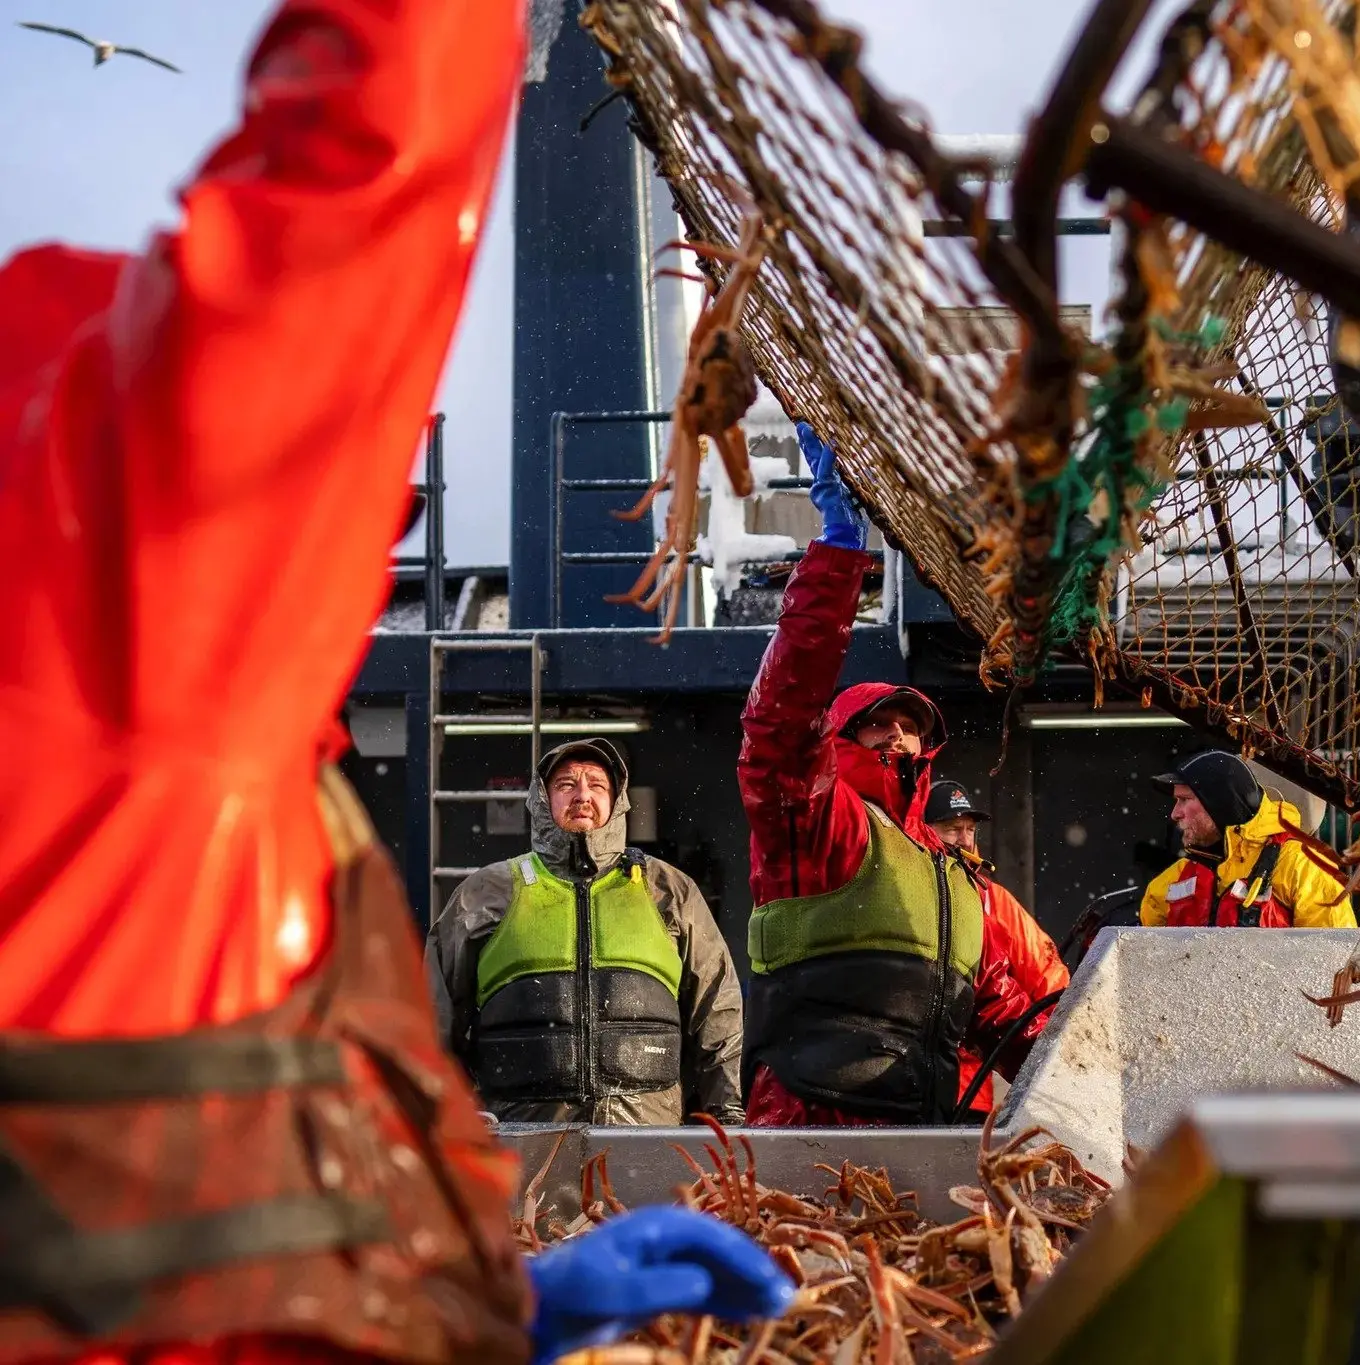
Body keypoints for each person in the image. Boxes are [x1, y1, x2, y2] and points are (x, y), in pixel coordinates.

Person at [0, 2, 787, 1360]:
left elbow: (244, 1146)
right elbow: (357, 178)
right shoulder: (144, 643)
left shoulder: (224, 798)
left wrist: (478, 1302)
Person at [737, 425, 1047, 1127]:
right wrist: (838, 556)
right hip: (806, 1136)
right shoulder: (819, 826)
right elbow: (778, 727)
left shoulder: (959, 883)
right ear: (841, 737)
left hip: (921, 1144)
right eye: (880, 722)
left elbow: (1020, 1014)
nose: (900, 735)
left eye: (911, 725)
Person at [427, 738, 745, 1126]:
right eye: (566, 785)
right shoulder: (485, 892)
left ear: (617, 802)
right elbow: (433, 1013)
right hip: (521, 1135)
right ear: (542, 800)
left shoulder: (669, 889)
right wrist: (440, 1114)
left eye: (597, 785)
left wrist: (724, 1112)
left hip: (646, 1139)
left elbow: (716, 1007)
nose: (582, 796)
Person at [926, 780, 1070, 1114]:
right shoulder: (906, 896)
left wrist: (1063, 1065)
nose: (964, 840)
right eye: (951, 829)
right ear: (923, 831)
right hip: (900, 1088)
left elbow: (1050, 983)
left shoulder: (994, 900)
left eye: (969, 829)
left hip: (969, 1095)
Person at [1140, 751, 1358, 929]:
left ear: (1220, 803)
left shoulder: (1304, 865)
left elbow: (1333, 962)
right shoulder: (1175, 877)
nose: (1175, 813)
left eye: (1184, 800)